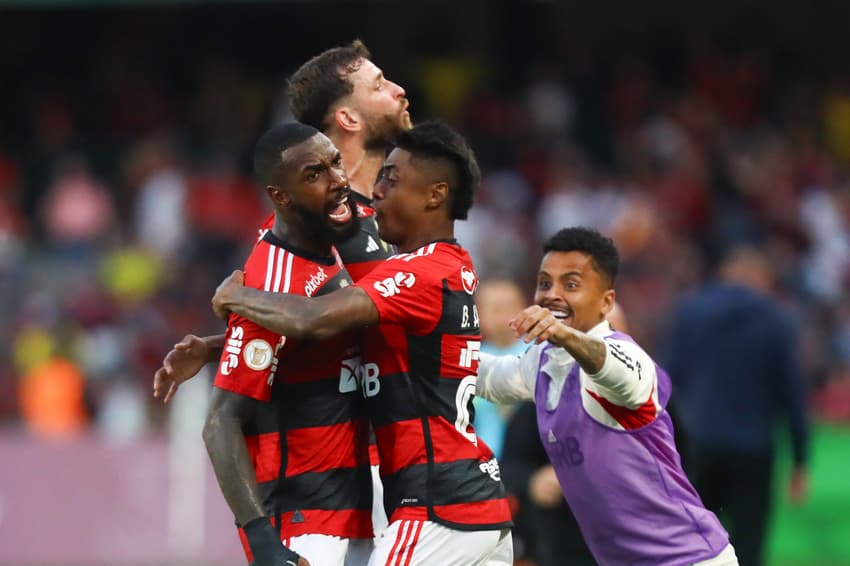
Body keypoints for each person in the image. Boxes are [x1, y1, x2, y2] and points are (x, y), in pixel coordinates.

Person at [212, 122, 513, 566]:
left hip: (437, 507)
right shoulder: (445, 266)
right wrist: (217, 344)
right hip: (475, 504)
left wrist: (235, 296)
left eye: (391, 180)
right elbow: (348, 335)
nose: (375, 193)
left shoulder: (419, 273)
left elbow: (311, 318)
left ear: (434, 196)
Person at [475, 226, 737, 566]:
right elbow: (489, 376)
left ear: (606, 302)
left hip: (689, 559)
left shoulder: (626, 359)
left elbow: (611, 367)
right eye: (544, 283)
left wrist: (563, 334)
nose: (552, 294)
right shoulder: (541, 364)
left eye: (570, 285)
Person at [203, 122, 373, 566]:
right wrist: (264, 545)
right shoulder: (272, 282)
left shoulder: (326, 234)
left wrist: (214, 345)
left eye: (335, 162)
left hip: (358, 503)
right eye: (315, 174)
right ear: (281, 196)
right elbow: (220, 422)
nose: (337, 180)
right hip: (304, 519)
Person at [660, 245, 810, 566]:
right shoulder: (775, 319)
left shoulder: (690, 311)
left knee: (693, 543)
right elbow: (791, 393)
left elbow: (665, 382)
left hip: (696, 446)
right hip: (752, 451)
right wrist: (800, 459)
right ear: (761, 278)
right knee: (748, 543)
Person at [474, 278, 527, 458]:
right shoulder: (473, 358)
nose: (504, 315)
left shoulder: (535, 354)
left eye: (510, 306)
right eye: (495, 309)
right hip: (484, 462)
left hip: (525, 463)